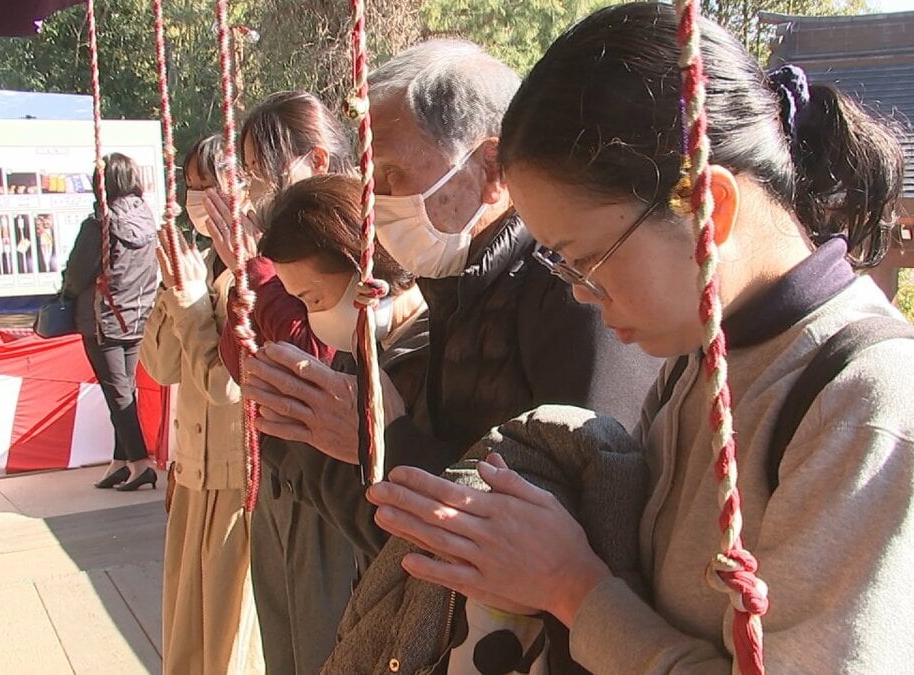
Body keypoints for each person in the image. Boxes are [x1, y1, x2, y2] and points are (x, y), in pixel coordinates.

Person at [361, 5, 914, 673]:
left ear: (709, 208)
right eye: (560, 265)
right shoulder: (700, 364)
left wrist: (574, 589)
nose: (576, 290)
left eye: (587, 257)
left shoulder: (879, 408)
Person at [239, 39, 661, 665]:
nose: (373, 205)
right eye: (369, 180)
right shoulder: (452, 289)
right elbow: (400, 541)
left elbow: (578, 533)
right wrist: (318, 444)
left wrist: (383, 439)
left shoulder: (574, 296)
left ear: (489, 169)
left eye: (393, 177)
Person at [206, 90, 362, 675]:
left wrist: (255, 272)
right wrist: (241, 277)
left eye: (261, 170)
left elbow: (315, 359)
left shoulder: (346, 228)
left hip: (329, 480)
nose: (248, 189)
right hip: (279, 470)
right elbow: (242, 365)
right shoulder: (270, 245)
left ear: (316, 161)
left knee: (327, 648)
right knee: (285, 648)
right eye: (245, 172)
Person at [256, 173, 431, 565]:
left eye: (313, 299)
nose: (309, 317)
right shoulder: (357, 352)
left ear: (364, 271)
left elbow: (381, 529)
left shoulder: (431, 353)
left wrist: (320, 445)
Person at [139, 135, 263, 675]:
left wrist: (191, 303)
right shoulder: (198, 260)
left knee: (231, 646)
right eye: (191, 187)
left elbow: (229, 385)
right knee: (186, 643)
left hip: (241, 486)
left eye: (210, 186)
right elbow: (161, 367)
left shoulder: (260, 268)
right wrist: (173, 293)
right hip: (192, 479)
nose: (199, 199)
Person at [62, 153, 158, 491]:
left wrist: (65, 292)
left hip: (103, 318)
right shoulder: (147, 219)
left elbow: (76, 273)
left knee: (118, 393)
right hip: (137, 314)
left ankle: (140, 462)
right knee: (124, 389)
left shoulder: (99, 224)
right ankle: (122, 462)